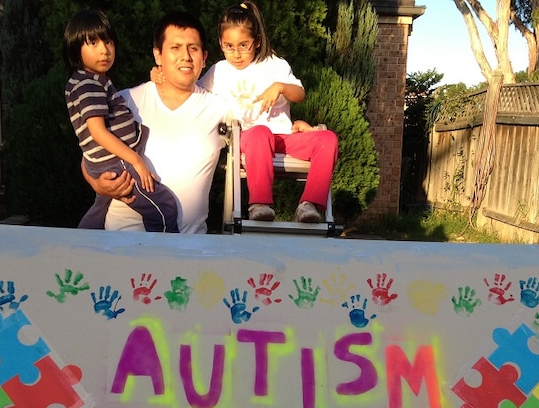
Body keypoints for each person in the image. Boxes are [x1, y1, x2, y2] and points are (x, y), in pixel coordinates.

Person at [82, 12, 229, 234]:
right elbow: (89, 155)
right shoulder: (126, 102)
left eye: (193, 48)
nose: (186, 56)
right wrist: (96, 184)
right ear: (158, 55)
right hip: (122, 245)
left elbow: (261, 131)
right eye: (175, 48)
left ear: (204, 57)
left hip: (188, 251)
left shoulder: (220, 109)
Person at [198, 1, 338, 223]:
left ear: (257, 42)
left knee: (328, 139)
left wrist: (280, 87)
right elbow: (196, 93)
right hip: (248, 138)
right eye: (229, 46)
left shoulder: (274, 64)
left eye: (243, 45)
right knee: (260, 132)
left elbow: (300, 93)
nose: (236, 53)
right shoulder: (220, 71)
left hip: (283, 137)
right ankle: (259, 204)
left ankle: (309, 205)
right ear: (220, 44)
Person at [64, 9, 179, 232]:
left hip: (101, 161)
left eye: (108, 42)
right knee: (165, 207)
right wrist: (136, 161)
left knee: (100, 207)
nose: (104, 50)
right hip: (117, 161)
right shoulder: (89, 85)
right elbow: (98, 132)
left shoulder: (88, 80)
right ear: (75, 48)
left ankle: (80, 246)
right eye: (93, 43)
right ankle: (166, 255)